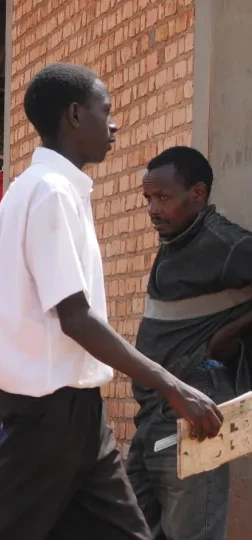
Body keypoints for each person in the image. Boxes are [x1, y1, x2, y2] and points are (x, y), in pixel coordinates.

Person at [0, 63, 222, 540]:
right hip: (49, 417)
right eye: (105, 110)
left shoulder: (26, 193)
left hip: (78, 416)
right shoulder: (51, 194)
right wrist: (173, 385)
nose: (115, 123)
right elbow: (77, 319)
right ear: (74, 115)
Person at [126, 146, 250, 539]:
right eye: (148, 199)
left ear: (197, 193)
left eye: (164, 198)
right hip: (152, 416)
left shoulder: (226, 243)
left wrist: (230, 333)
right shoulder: (177, 242)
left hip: (194, 414)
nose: (153, 209)